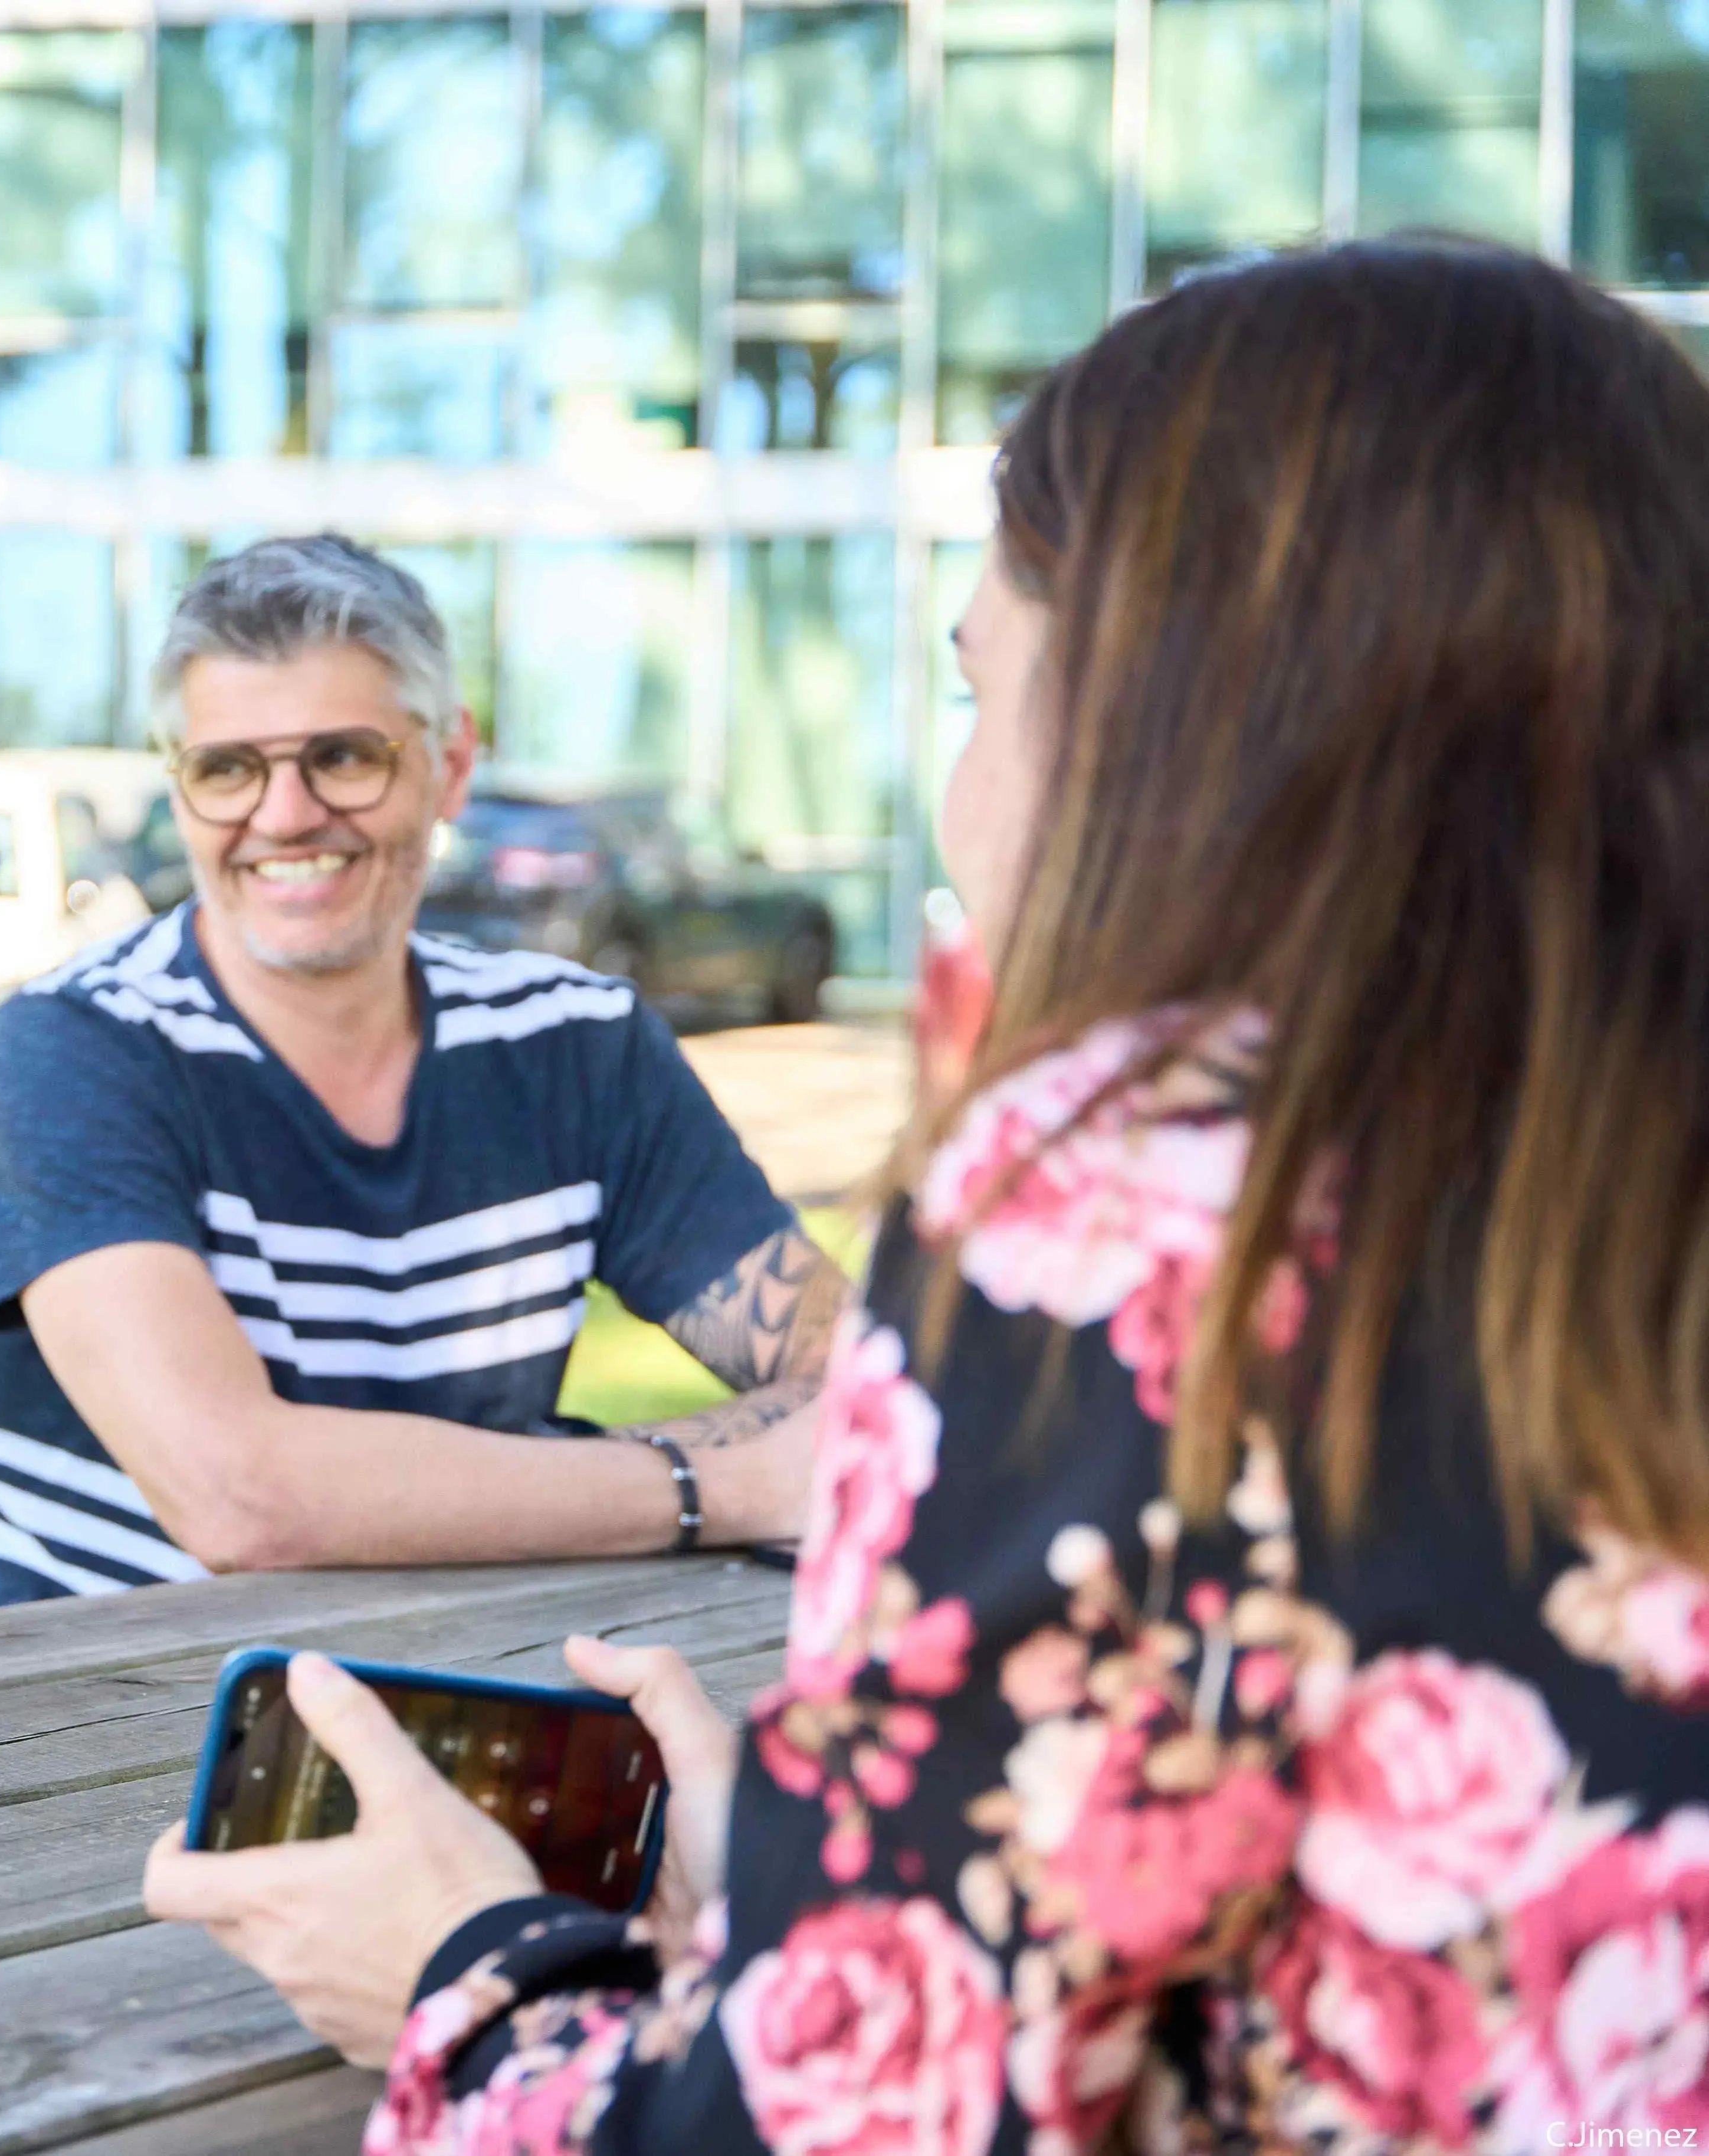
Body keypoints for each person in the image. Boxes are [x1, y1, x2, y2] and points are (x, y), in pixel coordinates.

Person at [144, 240, 1709, 2147]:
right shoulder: (93, 1044)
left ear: (1172, 726)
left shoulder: (1124, 1219)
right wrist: (845, 1842)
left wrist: (465, 1972)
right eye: (230, 769)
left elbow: (842, 2126)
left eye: (980, 692)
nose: (286, 812)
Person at [0, 537, 847, 1610]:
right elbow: (239, 1497)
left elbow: (858, 1374)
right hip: (95, 1707)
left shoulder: (576, 1044)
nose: (284, 815)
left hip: (470, 1676)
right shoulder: (71, 1049)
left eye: (344, 756)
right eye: (227, 768)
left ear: (450, 765)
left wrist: (531, 1482)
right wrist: (721, 1483)